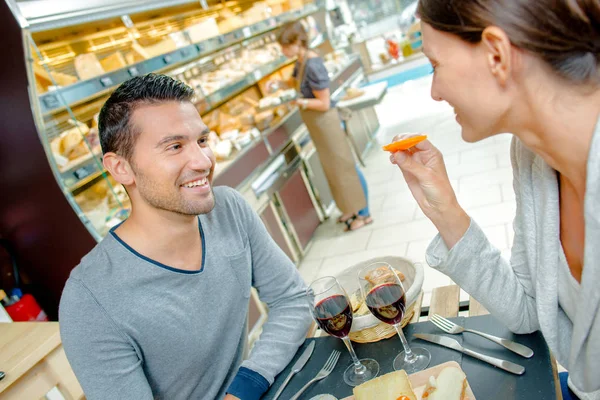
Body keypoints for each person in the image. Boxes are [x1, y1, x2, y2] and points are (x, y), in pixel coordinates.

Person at [389, 1, 600, 399]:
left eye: (435, 65)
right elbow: (527, 311)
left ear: (497, 55)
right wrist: (446, 211)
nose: (434, 92)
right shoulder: (534, 158)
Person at [59, 73, 312, 400]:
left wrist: (246, 385)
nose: (203, 161)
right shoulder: (90, 300)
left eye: (202, 141)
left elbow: (292, 299)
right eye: (175, 146)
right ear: (121, 168)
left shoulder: (228, 209)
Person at [278, 21, 373, 232]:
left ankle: (364, 214)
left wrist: (301, 102)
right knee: (333, 170)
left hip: (327, 122)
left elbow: (324, 102)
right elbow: (295, 84)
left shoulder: (313, 64)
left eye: (285, 46)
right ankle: (349, 209)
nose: (282, 51)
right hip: (318, 126)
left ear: (296, 42)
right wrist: (278, 85)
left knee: (346, 168)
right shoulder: (300, 62)